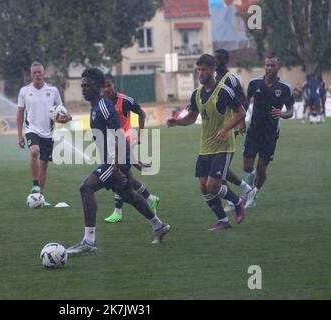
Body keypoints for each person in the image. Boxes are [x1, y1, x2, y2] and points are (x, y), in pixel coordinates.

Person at [66, 68, 170, 256]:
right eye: (82, 85)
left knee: (86, 187)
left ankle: (88, 241)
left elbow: (119, 135)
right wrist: (133, 161)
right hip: (118, 160)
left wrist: (115, 167)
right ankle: (158, 225)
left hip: (114, 163)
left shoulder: (104, 107)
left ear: (97, 86)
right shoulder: (96, 107)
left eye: (87, 85)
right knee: (129, 195)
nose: (83, 89)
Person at [167, 54, 246, 231]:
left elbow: (241, 113)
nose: (200, 73)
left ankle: (238, 202)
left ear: (212, 70)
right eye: (198, 70)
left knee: (213, 185)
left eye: (204, 70)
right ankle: (223, 221)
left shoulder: (224, 91)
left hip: (224, 146)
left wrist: (225, 129)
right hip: (205, 146)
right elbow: (192, 117)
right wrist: (177, 122)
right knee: (204, 187)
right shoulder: (196, 94)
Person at [102, 73, 160, 223]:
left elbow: (141, 113)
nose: (106, 89)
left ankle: (118, 212)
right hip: (112, 142)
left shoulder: (124, 100)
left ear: (114, 84)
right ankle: (151, 198)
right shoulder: (102, 103)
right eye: (103, 86)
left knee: (118, 173)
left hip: (125, 138)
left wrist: (140, 134)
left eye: (109, 85)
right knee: (128, 177)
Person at [243, 55, 294, 207]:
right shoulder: (254, 83)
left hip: (270, 134)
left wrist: (282, 114)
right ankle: (249, 185)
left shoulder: (285, 88)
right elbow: (245, 103)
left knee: (262, 168)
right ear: (264, 66)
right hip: (254, 131)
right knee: (247, 167)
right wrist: (240, 120)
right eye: (267, 65)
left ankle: (254, 195)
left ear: (278, 67)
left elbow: (290, 110)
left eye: (272, 65)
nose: (269, 68)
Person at [17, 62, 72, 201]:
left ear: (43, 74)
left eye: (39, 72)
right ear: (31, 74)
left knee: (44, 165)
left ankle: (39, 197)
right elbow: (20, 113)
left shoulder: (53, 91)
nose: (37, 74)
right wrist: (19, 135)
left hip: (48, 132)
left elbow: (61, 113)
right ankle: (35, 184)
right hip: (31, 129)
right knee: (34, 151)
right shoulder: (24, 91)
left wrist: (66, 118)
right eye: (34, 72)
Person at [214, 49, 257, 213]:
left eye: (217, 59)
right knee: (219, 167)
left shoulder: (231, 79)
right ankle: (241, 194)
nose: (215, 62)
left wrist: (239, 123)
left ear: (223, 60)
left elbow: (243, 102)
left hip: (228, 127)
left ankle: (239, 196)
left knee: (218, 166)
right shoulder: (215, 79)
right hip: (217, 128)